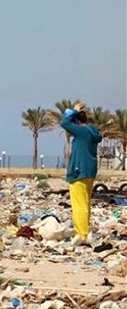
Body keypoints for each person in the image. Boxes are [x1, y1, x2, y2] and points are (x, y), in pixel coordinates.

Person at [60, 102, 102, 245]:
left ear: (76, 121)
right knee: (85, 203)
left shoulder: (81, 131)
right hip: (90, 171)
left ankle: (82, 234)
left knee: (79, 204)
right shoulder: (92, 131)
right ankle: (84, 231)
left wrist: (72, 111)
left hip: (79, 171)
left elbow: (64, 123)